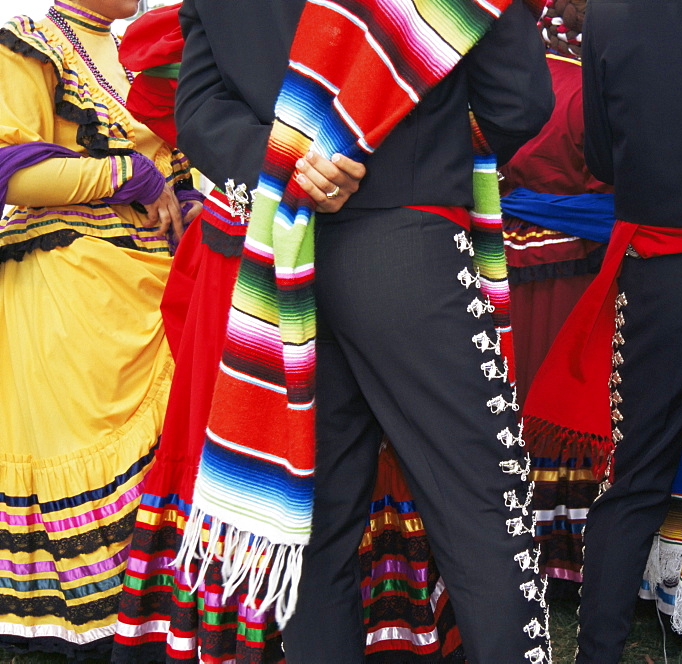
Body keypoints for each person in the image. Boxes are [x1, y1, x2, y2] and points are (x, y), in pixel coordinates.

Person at [168, 0, 555, 662]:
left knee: (317, 523)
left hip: (287, 260)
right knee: (484, 510)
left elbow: (199, 107)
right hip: (409, 242)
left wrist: (290, 159)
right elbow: (519, 99)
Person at [111, 2, 467, 661]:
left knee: (321, 479)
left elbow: (192, 98)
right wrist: (286, 164)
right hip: (260, 248)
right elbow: (187, 95)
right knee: (282, 455)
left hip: (282, 234)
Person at [520, 0, 682, 660]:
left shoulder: (612, 13)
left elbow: (599, 153)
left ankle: (599, 649)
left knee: (633, 479)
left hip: (663, 267)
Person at [0, 0, 199, 657]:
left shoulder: (140, 52)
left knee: (168, 465)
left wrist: (187, 194)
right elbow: (12, 170)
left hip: (158, 291)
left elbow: (178, 170)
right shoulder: (28, 42)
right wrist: (130, 175)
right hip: (71, 296)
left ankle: (154, 626)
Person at [498, 0, 615, 584]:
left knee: (512, 391)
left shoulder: (506, 81)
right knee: (565, 396)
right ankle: (569, 551)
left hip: (507, 263)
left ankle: (511, 535)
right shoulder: (589, 87)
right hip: (576, 272)